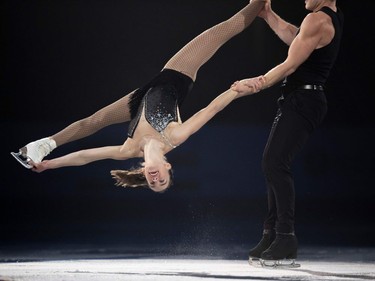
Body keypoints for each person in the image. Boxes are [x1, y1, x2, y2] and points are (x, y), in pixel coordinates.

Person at [11, 0, 265, 193]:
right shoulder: (175, 136)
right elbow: (210, 110)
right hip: (176, 77)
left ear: (143, 171)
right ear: (168, 167)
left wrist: (48, 165)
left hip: (139, 100)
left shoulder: (128, 149)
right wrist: (234, 91)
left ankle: (41, 147)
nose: (155, 178)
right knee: (221, 32)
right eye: (161, 180)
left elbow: (85, 156)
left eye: (151, 182)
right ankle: (258, 4)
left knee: (94, 121)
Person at [231, 0, 344, 266]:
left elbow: (290, 64)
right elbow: (296, 38)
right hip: (300, 98)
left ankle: (286, 237)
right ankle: (272, 234)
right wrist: (268, 15)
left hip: (304, 99)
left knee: (274, 163)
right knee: (272, 164)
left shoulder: (317, 20)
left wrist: (257, 83)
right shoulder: (327, 18)